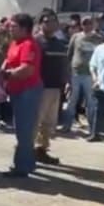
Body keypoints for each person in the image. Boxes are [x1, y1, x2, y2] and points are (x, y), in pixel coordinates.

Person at [0, 13, 43, 178]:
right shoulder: (15, 42)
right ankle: (28, 163)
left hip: (28, 90)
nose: (10, 29)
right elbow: (8, 60)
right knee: (22, 128)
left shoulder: (29, 45)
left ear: (25, 29)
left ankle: (22, 167)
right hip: (17, 90)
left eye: (14, 27)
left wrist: (7, 74)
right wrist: (3, 69)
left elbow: (27, 69)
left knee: (24, 129)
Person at [35, 11, 69, 165]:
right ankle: (27, 151)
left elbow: (64, 64)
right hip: (39, 87)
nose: (51, 24)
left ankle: (41, 150)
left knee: (49, 123)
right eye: (47, 21)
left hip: (56, 88)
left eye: (54, 21)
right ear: (40, 24)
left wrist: (68, 81)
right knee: (36, 121)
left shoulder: (59, 43)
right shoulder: (36, 41)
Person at [63, 16, 104, 133]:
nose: (87, 25)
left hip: (90, 75)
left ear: (93, 24)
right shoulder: (75, 36)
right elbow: (69, 55)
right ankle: (67, 125)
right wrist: (67, 74)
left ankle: (92, 128)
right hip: (75, 73)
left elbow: (102, 56)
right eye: (84, 23)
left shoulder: (99, 38)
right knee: (72, 100)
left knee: (91, 102)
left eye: (89, 23)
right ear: (81, 25)